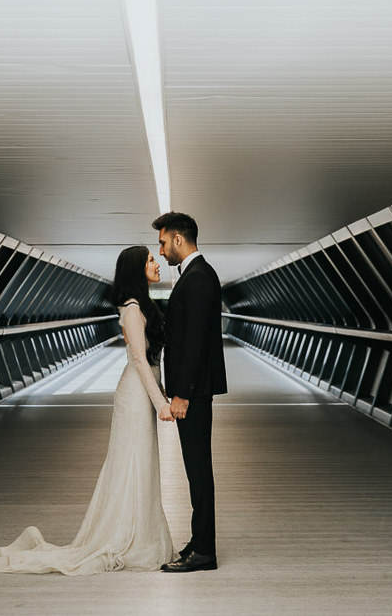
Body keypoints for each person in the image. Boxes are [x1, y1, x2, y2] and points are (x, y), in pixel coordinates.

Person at [0, 246, 177, 575]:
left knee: (141, 462)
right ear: (135, 270)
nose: (156, 263)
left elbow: (152, 362)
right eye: (150, 261)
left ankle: (141, 533)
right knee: (132, 462)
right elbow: (140, 360)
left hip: (145, 392)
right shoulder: (131, 310)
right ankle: (131, 536)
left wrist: (163, 394)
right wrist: (161, 404)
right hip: (136, 396)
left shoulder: (143, 306)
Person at [153, 211, 228, 573]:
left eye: (164, 242)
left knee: (198, 470)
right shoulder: (199, 275)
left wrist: (182, 393)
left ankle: (204, 551)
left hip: (193, 394)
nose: (162, 250)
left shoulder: (198, 279)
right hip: (194, 392)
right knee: (195, 469)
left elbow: (195, 342)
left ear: (179, 240)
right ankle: (199, 542)